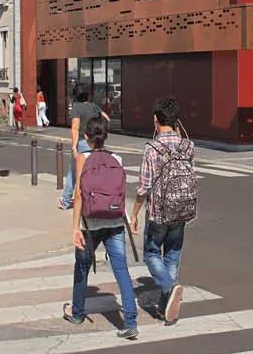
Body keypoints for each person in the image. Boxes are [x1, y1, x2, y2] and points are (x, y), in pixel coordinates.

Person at [64, 116, 139, 339]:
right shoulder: (117, 158)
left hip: (90, 224)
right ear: (106, 136)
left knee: (82, 267)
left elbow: (79, 194)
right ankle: (130, 321)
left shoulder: (83, 158)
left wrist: (75, 227)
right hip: (115, 221)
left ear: (86, 137)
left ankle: (77, 313)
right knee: (121, 269)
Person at [129, 96, 197, 326]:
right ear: (177, 121)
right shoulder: (188, 146)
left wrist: (134, 214)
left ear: (156, 119)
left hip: (158, 212)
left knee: (151, 254)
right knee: (172, 255)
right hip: (182, 210)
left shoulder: (152, 148)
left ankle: (169, 286)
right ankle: (165, 307)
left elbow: (144, 187)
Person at [59, 87, 110, 209]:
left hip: (82, 142)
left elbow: (75, 127)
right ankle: (95, 199)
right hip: (95, 142)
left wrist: (74, 147)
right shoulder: (93, 106)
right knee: (94, 171)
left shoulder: (77, 108)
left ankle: (66, 200)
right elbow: (107, 118)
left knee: (74, 172)